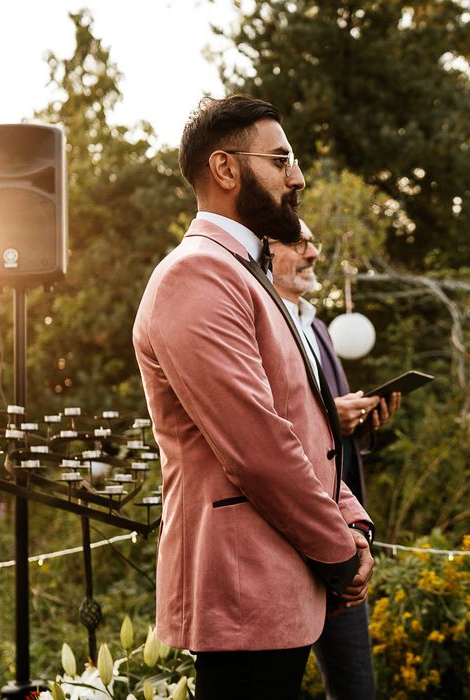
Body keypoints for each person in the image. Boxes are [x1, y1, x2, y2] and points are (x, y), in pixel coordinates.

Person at [133, 95, 376, 700]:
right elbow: (259, 447)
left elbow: (306, 425)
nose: (297, 178)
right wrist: (339, 553)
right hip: (242, 592)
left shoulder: (248, 274)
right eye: (281, 159)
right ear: (225, 169)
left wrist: (355, 522)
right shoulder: (196, 274)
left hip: (280, 586)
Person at [269, 220, 401, 700]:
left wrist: (361, 425)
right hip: (286, 542)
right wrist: (331, 416)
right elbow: (265, 433)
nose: (312, 253)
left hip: (344, 539)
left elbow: (329, 436)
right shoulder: (263, 323)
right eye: (298, 243)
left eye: (313, 243)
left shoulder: (319, 329)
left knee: (355, 689)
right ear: (266, 249)